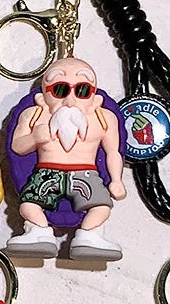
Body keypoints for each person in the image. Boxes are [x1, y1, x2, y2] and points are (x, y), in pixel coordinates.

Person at [7, 56, 126, 261]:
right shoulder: (33, 114)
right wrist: (34, 138)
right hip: (47, 172)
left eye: (82, 90)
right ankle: (39, 232)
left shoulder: (104, 118)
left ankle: (89, 236)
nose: (70, 101)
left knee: (102, 207)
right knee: (28, 204)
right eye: (60, 89)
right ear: (44, 94)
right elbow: (16, 147)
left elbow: (114, 151)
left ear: (94, 95)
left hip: (86, 174)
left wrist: (116, 180)